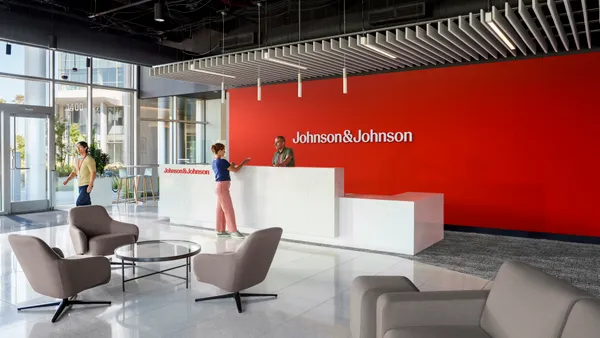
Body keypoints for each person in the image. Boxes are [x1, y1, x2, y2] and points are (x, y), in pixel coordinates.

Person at [211, 142, 250, 238]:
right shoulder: (223, 161)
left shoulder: (214, 161)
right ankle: (233, 231)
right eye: (223, 150)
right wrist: (243, 163)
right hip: (223, 187)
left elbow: (225, 169)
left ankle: (220, 230)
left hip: (219, 186)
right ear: (219, 151)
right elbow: (236, 170)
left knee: (220, 210)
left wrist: (230, 165)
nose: (224, 151)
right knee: (228, 209)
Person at [63, 141, 96, 206]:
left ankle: (79, 216)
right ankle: (90, 215)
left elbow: (93, 173)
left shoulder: (89, 159)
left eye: (80, 147)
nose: (78, 149)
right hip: (80, 185)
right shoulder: (77, 159)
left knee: (79, 203)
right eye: (77, 148)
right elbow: (74, 172)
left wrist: (90, 185)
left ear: (85, 148)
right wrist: (67, 179)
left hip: (86, 184)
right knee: (86, 204)